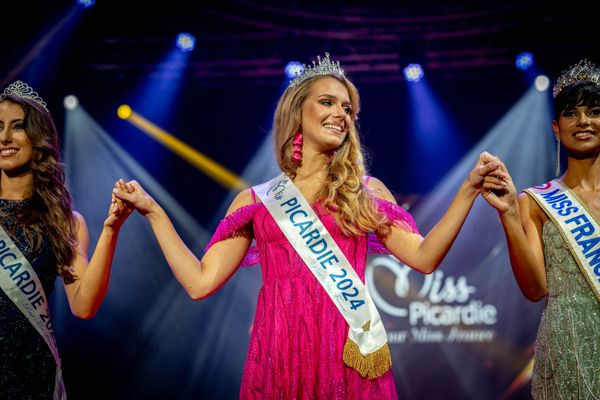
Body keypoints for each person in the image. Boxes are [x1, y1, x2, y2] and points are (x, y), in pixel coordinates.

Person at [113, 53, 503, 399]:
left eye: (348, 109)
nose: (341, 114)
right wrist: (153, 212)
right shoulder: (257, 201)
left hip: (346, 352)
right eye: (328, 102)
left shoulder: (364, 192)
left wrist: (467, 190)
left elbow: (424, 257)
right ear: (298, 112)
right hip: (279, 354)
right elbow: (200, 282)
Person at [0, 81, 132, 399]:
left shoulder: (65, 222)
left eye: (17, 127)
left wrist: (111, 229)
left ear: (38, 136)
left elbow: (84, 305)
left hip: (34, 379)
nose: (4, 137)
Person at [481, 59, 600, 399]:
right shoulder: (536, 201)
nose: (583, 122)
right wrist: (508, 215)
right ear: (555, 127)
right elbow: (535, 289)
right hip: (567, 345)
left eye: (594, 111)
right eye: (571, 113)